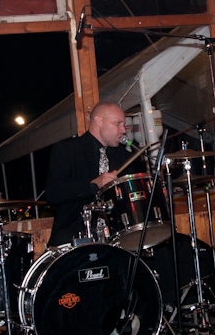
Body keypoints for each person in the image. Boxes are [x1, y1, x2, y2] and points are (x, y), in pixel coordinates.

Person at [44, 101, 144, 247]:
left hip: (117, 232)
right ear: (98, 121)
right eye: (118, 123)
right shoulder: (67, 149)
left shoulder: (124, 157)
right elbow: (53, 193)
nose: (123, 130)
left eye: (124, 124)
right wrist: (93, 185)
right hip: (75, 232)